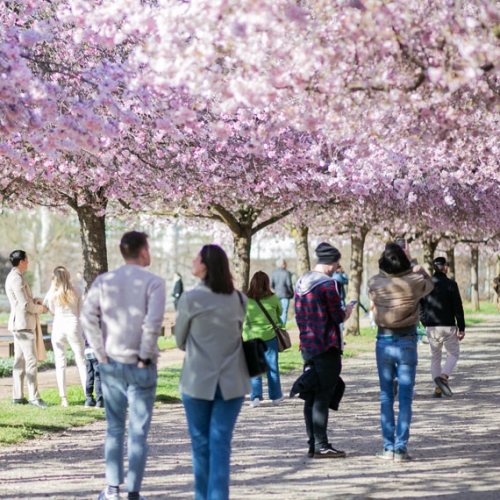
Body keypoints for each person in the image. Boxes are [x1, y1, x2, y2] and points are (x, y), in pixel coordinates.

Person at [81, 231, 166, 500]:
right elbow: (152, 325)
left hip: (112, 362)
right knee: (139, 432)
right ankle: (133, 492)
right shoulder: (155, 283)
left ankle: (112, 489)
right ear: (143, 252)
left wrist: (100, 352)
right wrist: (144, 356)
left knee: (114, 428)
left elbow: (87, 317)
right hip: (142, 366)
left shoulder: (104, 281)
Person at [175, 244, 250, 500]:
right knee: (221, 445)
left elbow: (180, 341)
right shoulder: (240, 299)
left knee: (201, 445)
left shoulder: (189, 299)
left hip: (197, 380)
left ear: (205, 264)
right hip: (232, 381)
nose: (192, 261)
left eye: (196, 258)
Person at [368, 242, 434, 462]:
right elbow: (430, 283)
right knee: (405, 397)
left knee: (386, 396)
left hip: (383, 341)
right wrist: (416, 266)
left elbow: (376, 291)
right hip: (407, 341)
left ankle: (387, 447)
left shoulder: (375, 282)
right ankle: (401, 448)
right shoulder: (414, 282)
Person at [294, 242, 353, 459]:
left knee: (311, 395)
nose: (338, 268)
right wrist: (346, 311)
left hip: (308, 346)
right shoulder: (329, 285)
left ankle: (313, 443)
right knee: (322, 396)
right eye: (337, 264)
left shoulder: (302, 281)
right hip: (327, 346)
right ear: (332, 263)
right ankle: (322, 445)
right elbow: (337, 317)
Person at [5, 250, 49, 408]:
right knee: (30, 360)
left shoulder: (15, 276)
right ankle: (34, 397)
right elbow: (24, 305)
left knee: (20, 360)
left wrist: (34, 299)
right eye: (27, 259)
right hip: (23, 324)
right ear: (22, 261)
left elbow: (23, 301)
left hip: (20, 323)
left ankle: (18, 396)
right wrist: (41, 309)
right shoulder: (16, 278)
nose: (28, 262)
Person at [419, 257, 466, 398]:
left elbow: (420, 305)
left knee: (435, 357)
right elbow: (458, 307)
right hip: (448, 327)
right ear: (445, 267)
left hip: (431, 327)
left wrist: (424, 322)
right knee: (454, 354)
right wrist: (461, 327)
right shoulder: (451, 284)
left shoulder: (426, 285)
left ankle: (437, 390)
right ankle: (443, 376)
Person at [43, 266, 87, 407]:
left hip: (58, 327)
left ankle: (64, 398)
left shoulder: (53, 294)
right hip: (73, 325)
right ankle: (88, 394)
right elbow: (80, 311)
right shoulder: (77, 291)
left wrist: (52, 287)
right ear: (68, 276)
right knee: (81, 361)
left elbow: (51, 311)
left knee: (60, 363)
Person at [243, 271, 285, 408]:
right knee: (272, 367)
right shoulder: (273, 298)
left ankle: (255, 398)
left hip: (251, 337)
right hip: (270, 336)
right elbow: (280, 312)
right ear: (267, 283)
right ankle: (276, 396)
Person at [271, 258, 294, 325]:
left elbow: (271, 284)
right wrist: (291, 293)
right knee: (284, 312)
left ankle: (277, 326)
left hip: (276, 295)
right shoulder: (287, 273)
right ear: (283, 264)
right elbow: (289, 284)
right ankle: (282, 327)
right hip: (285, 295)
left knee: (277, 311)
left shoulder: (274, 273)